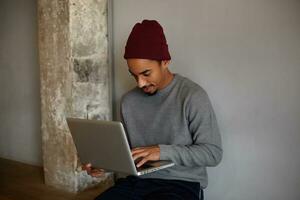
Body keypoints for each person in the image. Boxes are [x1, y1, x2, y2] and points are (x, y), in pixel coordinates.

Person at [87, 19, 222, 200]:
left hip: (181, 184)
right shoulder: (128, 101)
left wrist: (161, 151)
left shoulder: (192, 96)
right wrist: (104, 164)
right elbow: (127, 155)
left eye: (146, 73)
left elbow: (213, 153)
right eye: (134, 75)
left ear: (165, 61)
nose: (140, 83)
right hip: (136, 182)